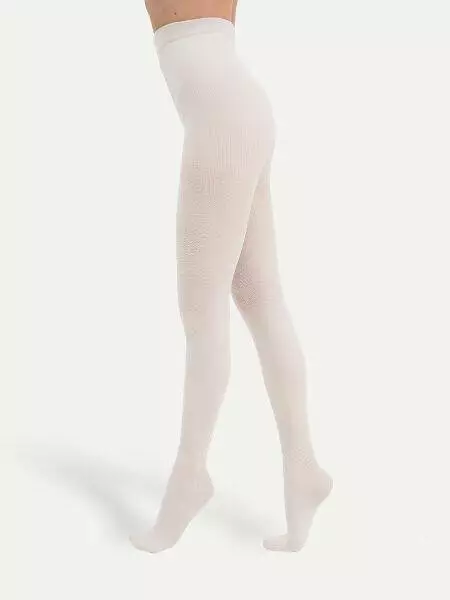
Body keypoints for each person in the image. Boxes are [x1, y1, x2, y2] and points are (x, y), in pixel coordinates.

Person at [130, 0, 333, 554]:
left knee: (202, 311)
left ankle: (189, 475)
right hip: (239, 112)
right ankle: (303, 468)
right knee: (259, 296)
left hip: (222, 121)